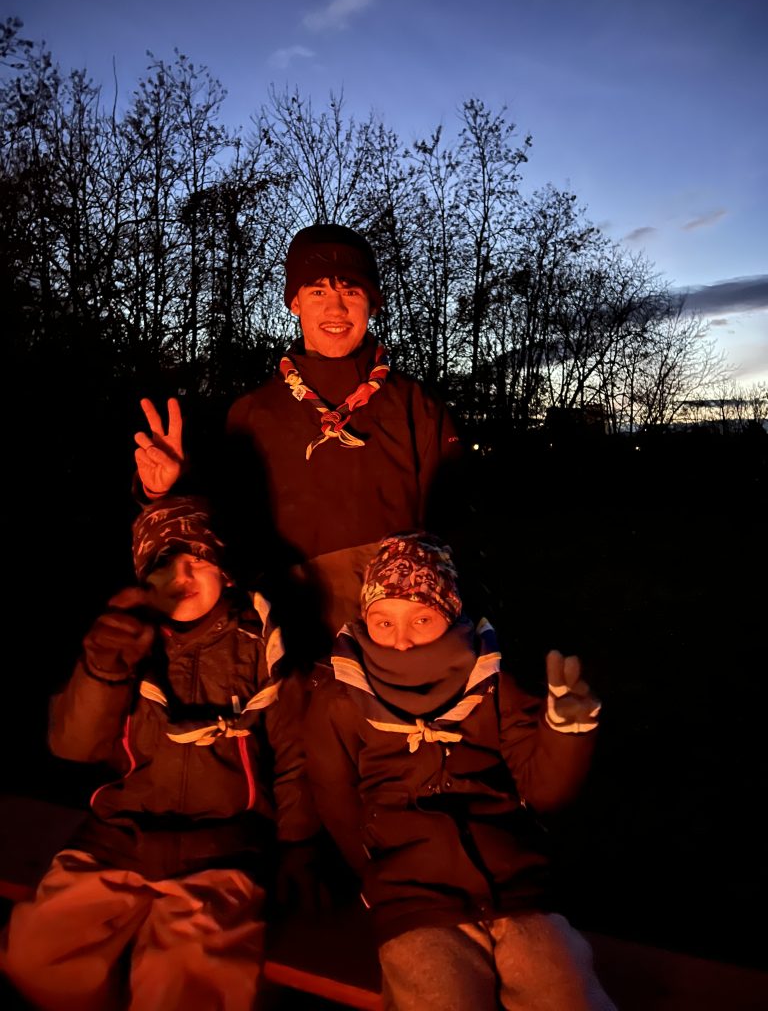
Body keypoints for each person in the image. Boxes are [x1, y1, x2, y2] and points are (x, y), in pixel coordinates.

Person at [0, 496, 320, 1011]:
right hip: (117, 838)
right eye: (162, 564)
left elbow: (295, 755)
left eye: (198, 559)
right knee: (37, 954)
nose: (181, 575)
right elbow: (74, 746)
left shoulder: (263, 647)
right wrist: (103, 669)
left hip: (221, 851)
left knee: (187, 982)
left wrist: (299, 844)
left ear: (225, 570)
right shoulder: (124, 637)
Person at [304, 532, 616, 1011]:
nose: (400, 639)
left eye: (421, 619)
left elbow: (543, 791)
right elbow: (336, 800)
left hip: (517, 890)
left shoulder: (492, 684)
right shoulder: (340, 699)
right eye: (383, 621)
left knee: (563, 992)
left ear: (449, 615)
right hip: (414, 901)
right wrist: (377, 875)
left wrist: (565, 731)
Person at [134, 223, 464, 663]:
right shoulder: (253, 413)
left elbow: (454, 535)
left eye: (351, 292)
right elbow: (218, 539)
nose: (336, 308)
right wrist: (169, 489)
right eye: (317, 292)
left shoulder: (417, 407)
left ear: (372, 303)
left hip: (394, 651)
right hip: (288, 650)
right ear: (294, 302)